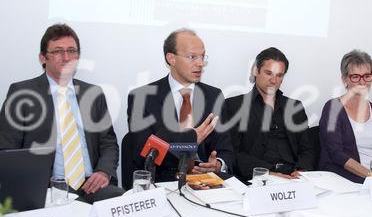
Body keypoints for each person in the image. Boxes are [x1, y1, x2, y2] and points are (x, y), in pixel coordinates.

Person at [0, 24, 124, 203]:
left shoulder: (93, 93)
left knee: (121, 200)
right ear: (43, 58)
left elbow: (108, 143)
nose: (66, 57)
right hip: (45, 189)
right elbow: (7, 149)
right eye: (58, 51)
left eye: (72, 51)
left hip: (91, 185)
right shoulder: (22, 93)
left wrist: (103, 171)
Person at [127, 28, 233, 182]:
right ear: (171, 58)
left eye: (203, 57)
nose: (201, 63)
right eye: (192, 57)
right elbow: (143, 154)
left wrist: (217, 164)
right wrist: (189, 141)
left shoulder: (214, 96)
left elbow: (226, 150)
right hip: (163, 181)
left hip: (205, 182)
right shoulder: (142, 98)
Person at [224, 47, 314, 181]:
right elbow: (232, 154)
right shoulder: (234, 106)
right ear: (256, 71)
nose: (274, 80)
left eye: (279, 75)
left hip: (293, 178)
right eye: (268, 73)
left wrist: (301, 170)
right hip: (255, 179)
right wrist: (266, 174)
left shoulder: (295, 107)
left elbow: (308, 149)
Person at [318, 50, 372, 183]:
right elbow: (336, 154)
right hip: (343, 178)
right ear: (344, 79)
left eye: (367, 76)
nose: (362, 82)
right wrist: (371, 176)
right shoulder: (333, 108)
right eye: (355, 76)